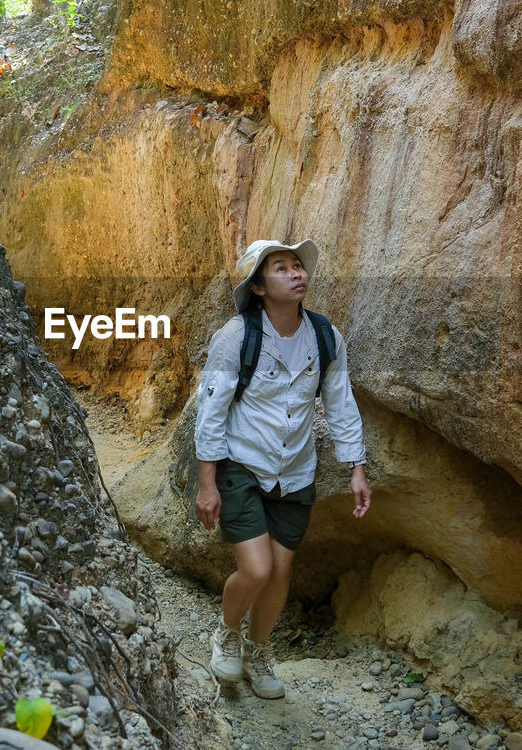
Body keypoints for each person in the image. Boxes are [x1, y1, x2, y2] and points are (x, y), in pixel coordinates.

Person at [194, 238, 371, 699]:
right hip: (242, 464)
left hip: (296, 471)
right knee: (256, 570)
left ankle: (258, 650)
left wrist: (356, 466)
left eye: (298, 266)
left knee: (280, 573)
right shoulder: (236, 337)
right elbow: (211, 412)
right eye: (281, 268)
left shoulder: (326, 337)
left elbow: (340, 404)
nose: (296, 273)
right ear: (257, 287)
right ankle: (227, 633)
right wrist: (207, 484)